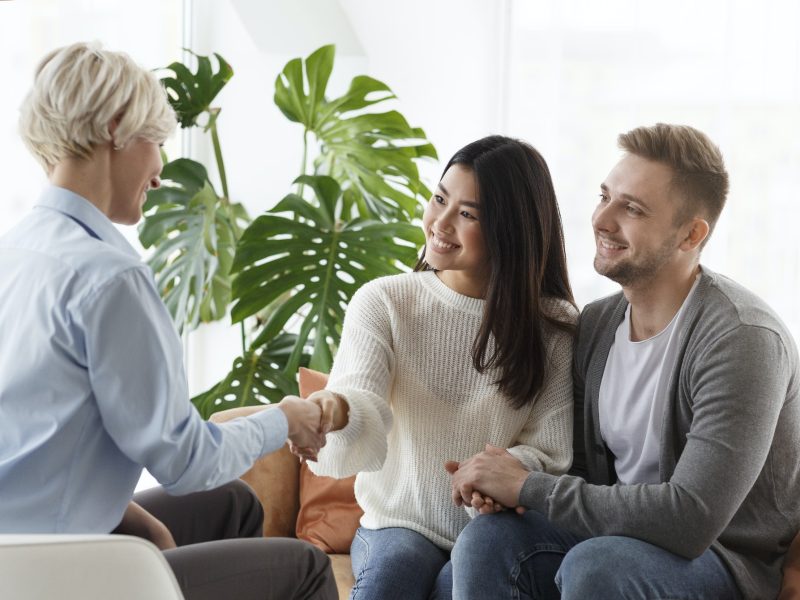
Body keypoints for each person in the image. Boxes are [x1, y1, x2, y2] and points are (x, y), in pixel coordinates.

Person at [0, 42, 337, 600]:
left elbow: (38, 439)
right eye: (155, 143)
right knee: (303, 569)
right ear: (115, 128)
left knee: (232, 503)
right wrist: (285, 418)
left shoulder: (17, 250)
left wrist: (133, 519)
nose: (159, 173)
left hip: (15, 546)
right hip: (54, 573)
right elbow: (185, 461)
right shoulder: (109, 277)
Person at [447, 123, 800, 599]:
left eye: (631, 208)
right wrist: (502, 484)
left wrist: (527, 487)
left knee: (599, 566)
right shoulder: (596, 324)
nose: (602, 220)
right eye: (605, 196)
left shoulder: (742, 339)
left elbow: (690, 519)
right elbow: (586, 479)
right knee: (488, 542)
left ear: (691, 234)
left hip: (723, 560)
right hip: (619, 542)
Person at [289, 135, 579, 599]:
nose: (440, 223)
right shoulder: (385, 301)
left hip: (493, 533)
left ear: (511, 229)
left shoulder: (555, 327)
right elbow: (359, 396)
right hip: (396, 524)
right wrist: (333, 409)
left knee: (458, 581)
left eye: (467, 214)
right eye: (439, 199)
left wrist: (499, 478)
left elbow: (550, 449)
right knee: (395, 574)